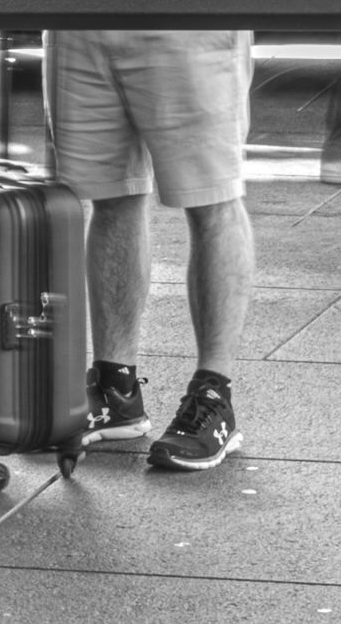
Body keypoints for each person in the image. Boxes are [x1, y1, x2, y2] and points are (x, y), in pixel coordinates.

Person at [42, 29, 255, 470]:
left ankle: (214, 396)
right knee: (110, 197)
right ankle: (115, 391)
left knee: (212, 198)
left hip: (184, 18)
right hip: (79, 20)